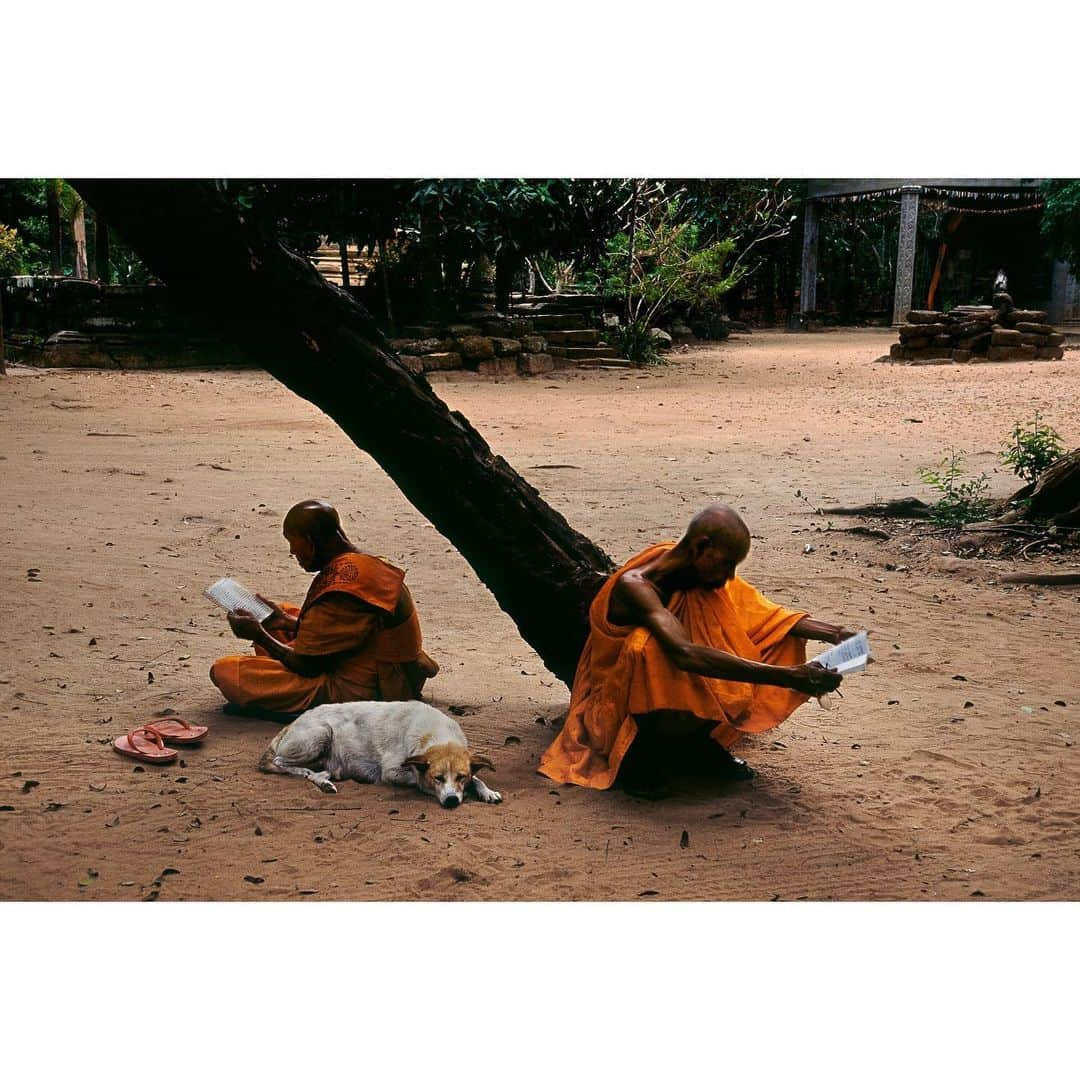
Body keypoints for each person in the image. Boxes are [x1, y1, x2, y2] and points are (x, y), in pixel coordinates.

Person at [538, 503, 854, 796]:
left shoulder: (697, 576)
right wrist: (787, 677)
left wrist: (836, 635)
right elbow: (685, 654)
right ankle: (641, 758)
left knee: (757, 636)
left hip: (675, 693)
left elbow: (762, 615)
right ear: (702, 547)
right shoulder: (637, 587)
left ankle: (695, 743)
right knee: (648, 651)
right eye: (727, 563)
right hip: (620, 710)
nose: (730, 576)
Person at [210, 499, 438, 717]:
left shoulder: (344, 590)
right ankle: (280, 634)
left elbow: (307, 665)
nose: (292, 551)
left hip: (368, 689)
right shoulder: (363, 561)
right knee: (282, 614)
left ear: (309, 541)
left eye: (293, 542)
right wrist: (286, 622)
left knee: (226, 671)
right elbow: (351, 630)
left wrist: (258, 634)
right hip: (376, 663)